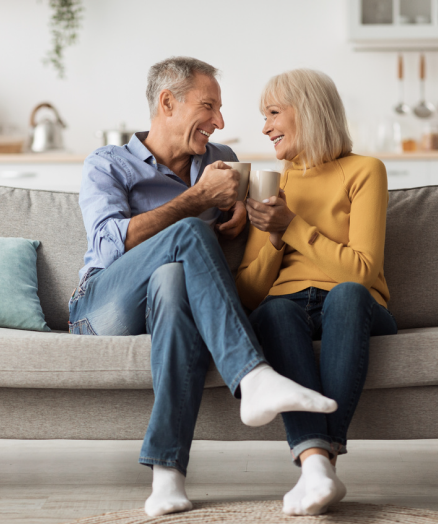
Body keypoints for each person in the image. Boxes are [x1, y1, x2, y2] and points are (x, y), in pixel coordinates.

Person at [69, 57, 338, 518]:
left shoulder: (223, 163)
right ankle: (252, 376)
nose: (220, 122)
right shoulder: (108, 163)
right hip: (102, 305)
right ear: (167, 102)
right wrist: (196, 202)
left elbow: (255, 217)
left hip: (167, 305)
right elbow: (110, 245)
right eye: (208, 106)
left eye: (220, 110)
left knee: (173, 281)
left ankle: (167, 474)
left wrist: (245, 217)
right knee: (191, 233)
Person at [236, 69, 398, 516]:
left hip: (356, 305)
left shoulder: (365, 171)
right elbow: (249, 293)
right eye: (263, 116)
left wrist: (292, 226)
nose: (265, 127)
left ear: (307, 111)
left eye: (273, 113)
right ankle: (316, 469)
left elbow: (362, 273)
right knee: (272, 314)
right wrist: (271, 239)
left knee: (346, 294)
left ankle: (320, 459)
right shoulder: (273, 184)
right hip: (287, 304)